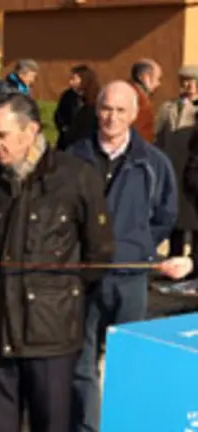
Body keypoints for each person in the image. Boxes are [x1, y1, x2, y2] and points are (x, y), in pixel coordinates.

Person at [0, 92, 114, 432]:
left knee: (52, 422)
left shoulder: (75, 177)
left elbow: (98, 253)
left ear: (30, 132)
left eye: (2, 135)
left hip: (51, 331)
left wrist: (58, 294)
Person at [67, 81, 177, 432]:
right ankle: (87, 426)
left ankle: (123, 423)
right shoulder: (73, 157)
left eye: (120, 111)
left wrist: (140, 246)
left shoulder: (153, 163)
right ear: (96, 110)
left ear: (133, 115)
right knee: (81, 362)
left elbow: (166, 215)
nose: (111, 118)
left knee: (127, 359)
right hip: (83, 277)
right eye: (105, 109)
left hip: (130, 278)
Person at [157, 65, 198, 263]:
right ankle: (174, 258)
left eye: (194, 81)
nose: (190, 86)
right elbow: (159, 136)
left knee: (194, 219)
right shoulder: (169, 107)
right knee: (174, 218)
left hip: (192, 171)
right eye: (186, 81)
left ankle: (193, 263)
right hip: (172, 168)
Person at [58, 65, 102, 150]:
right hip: (67, 142)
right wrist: (64, 127)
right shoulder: (68, 95)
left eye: (74, 79)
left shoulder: (97, 97)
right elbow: (59, 114)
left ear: (84, 79)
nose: (70, 82)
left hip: (88, 142)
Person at [128, 58, 162, 143]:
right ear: (145, 77)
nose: (158, 83)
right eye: (157, 79)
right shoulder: (135, 97)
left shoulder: (138, 93)